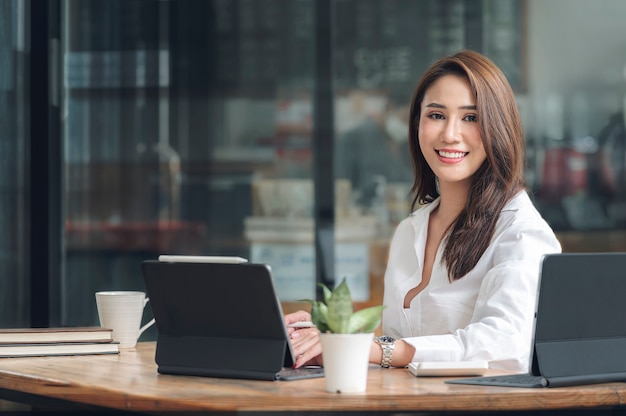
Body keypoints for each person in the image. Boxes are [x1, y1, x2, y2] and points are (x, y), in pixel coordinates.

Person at [286, 50, 562, 372]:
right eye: (436, 115)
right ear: (417, 123)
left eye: (471, 118)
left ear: (498, 128)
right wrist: (333, 338)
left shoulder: (521, 233)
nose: (450, 134)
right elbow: (399, 357)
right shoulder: (411, 230)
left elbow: (506, 343)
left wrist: (372, 348)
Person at [335, 90, 412, 213]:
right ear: (389, 107)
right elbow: (340, 187)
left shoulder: (408, 145)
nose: (407, 126)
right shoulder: (353, 139)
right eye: (405, 119)